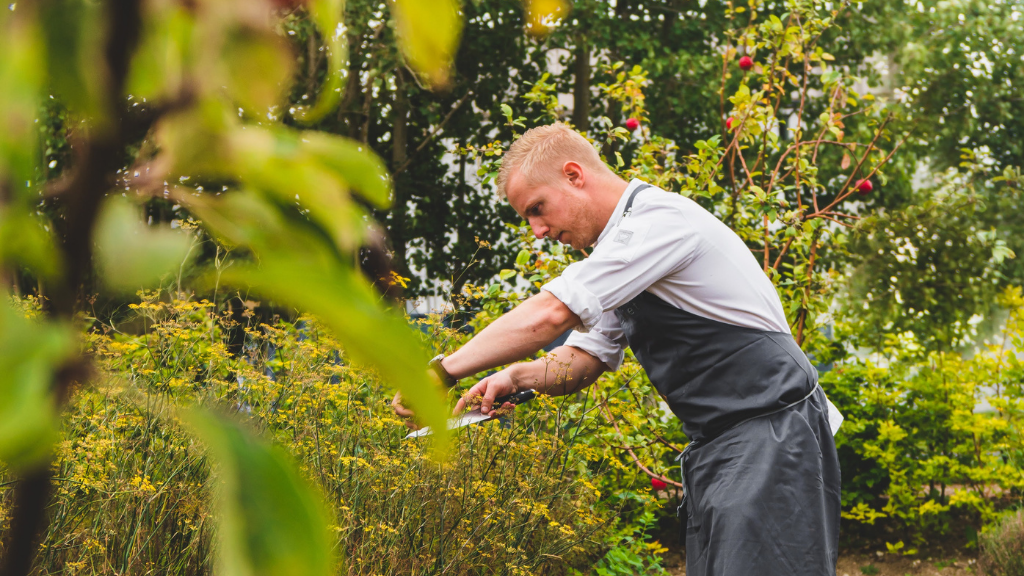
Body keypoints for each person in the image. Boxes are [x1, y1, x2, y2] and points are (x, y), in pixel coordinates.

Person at [392, 122, 842, 576]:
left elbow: (550, 314)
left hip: (773, 434)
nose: (537, 231)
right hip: (723, 446)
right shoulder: (620, 252)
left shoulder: (659, 223)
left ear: (573, 175)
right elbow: (583, 360)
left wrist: (440, 372)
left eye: (537, 208)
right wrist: (514, 377)